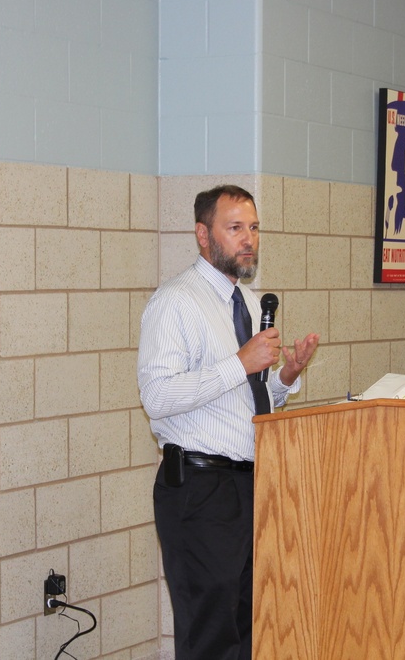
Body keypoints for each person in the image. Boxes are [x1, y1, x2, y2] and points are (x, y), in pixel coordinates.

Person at [137, 184, 320, 659]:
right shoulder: (175, 302)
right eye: (235, 228)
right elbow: (157, 396)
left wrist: (284, 375)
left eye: (254, 228)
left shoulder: (248, 302)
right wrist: (240, 363)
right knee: (211, 637)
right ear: (203, 235)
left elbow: (243, 402)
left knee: (248, 628)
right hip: (200, 491)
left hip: (249, 486)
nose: (249, 240)